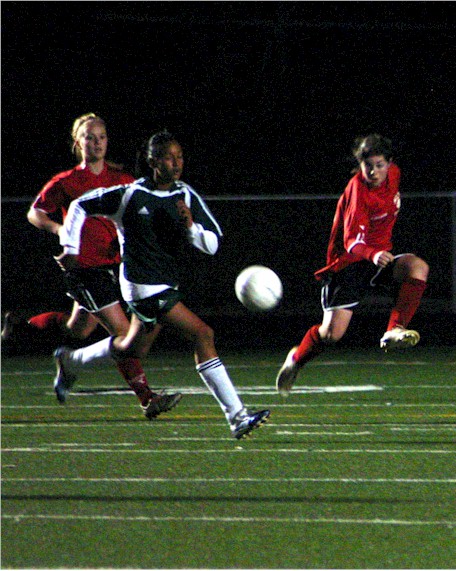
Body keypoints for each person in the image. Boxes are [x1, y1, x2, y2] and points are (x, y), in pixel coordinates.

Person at [54, 131, 270, 439]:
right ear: (154, 162)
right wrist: (71, 247)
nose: (177, 163)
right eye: (169, 158)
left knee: (132, 348)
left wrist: (191, 227)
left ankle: (70, 360)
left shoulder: (185, 195)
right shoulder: (130, 194)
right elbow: (80, 205)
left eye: (179, 157)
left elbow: (213, 245)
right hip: (142, 286)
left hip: (164, 283)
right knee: (203, 334)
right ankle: (238, 418)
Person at [17, 113, 181, 419]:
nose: (97, 143)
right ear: (77, 143)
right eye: (89, 137)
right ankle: (147, 398)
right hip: (84, 269)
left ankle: (25, 331)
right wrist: (59, 229)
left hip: (115, 267)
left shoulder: (121, 179)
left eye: (102, 137)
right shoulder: (67, 181)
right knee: (125, 333)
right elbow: (35, 212)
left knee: (78, 328)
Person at [276, 133, 429, 397]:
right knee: (332, 334)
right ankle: (296, 359)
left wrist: (377, 254)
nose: (374, 171)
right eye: (368, 165)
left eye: (379, 165)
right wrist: (372, 254)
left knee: (417, 267)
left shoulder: (394, 174)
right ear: (360, 165)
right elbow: (351, 242)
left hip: (378, 257)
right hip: (348, 264)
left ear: (389, 163)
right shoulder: (358, 191)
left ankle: (394, 329)